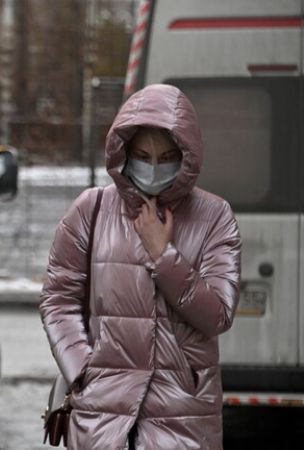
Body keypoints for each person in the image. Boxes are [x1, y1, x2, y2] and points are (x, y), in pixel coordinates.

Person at [39, 84, 241, 449]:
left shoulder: (214, 216)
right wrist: (83, 369)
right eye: (143, 156)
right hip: (102, 418)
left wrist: (164, 256)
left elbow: (218, 315)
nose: (154, 168)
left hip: (183, 419)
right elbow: (59, 299)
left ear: (186, 156)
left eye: (167, 157)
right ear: (124, 152)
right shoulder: (90, 210)